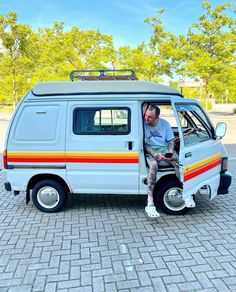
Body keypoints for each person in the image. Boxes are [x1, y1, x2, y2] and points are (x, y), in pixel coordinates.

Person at [144, 105, 194, 218]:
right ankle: (150, 201)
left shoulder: (165, 124)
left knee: (181, 162)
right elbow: (145, 145)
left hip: (164, 149)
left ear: (157, 118)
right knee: (153, 166)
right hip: (151, 151)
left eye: (150, 117)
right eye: (146, 116)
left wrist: (170, 153)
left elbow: (171, 141)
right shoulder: (143, 125)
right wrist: (156, 155)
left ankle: (186, 192)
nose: (146, 119)